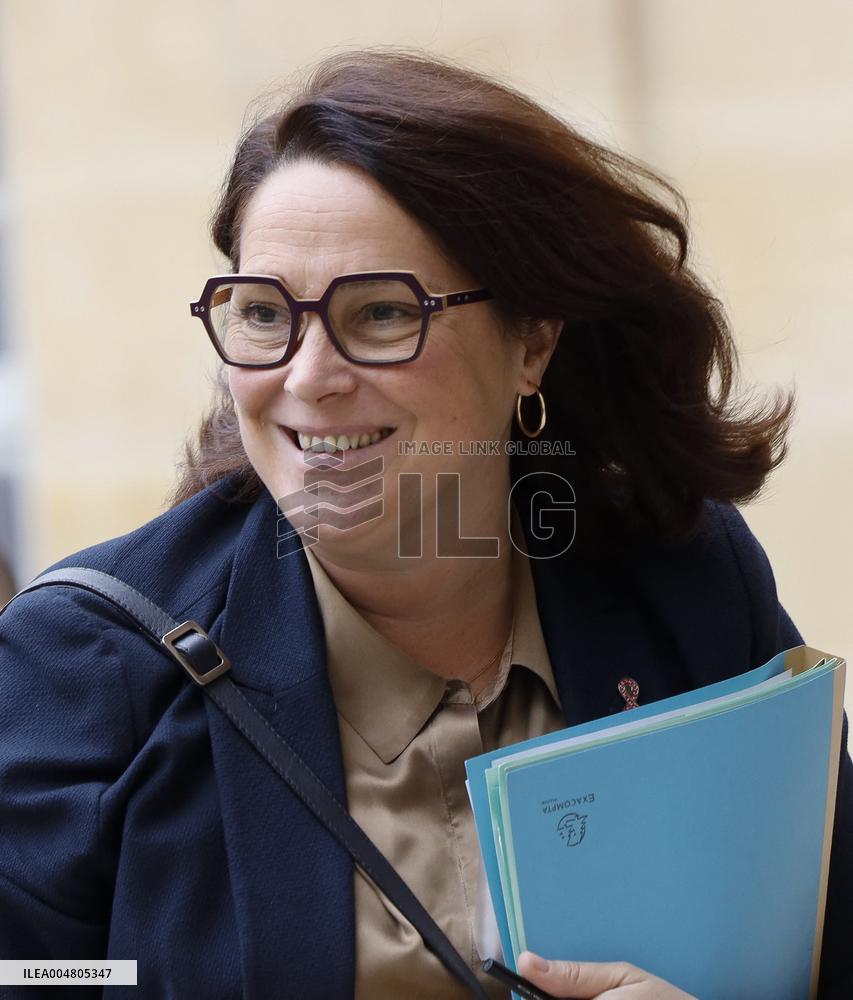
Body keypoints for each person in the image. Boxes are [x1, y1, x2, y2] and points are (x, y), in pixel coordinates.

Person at [0, 48, 850, 999]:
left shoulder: (687, 585)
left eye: (378, 314)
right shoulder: (83, 661)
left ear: (531, 342)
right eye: (265, 314)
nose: (308, 376)